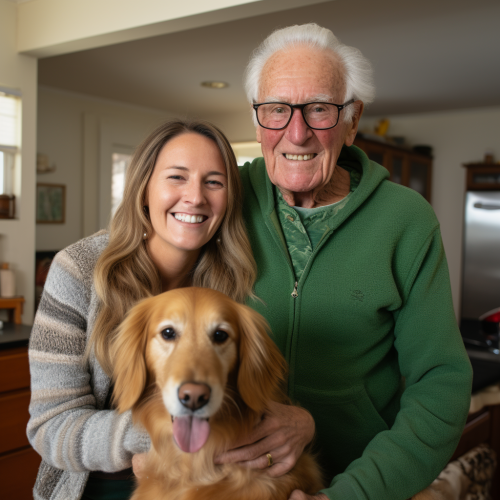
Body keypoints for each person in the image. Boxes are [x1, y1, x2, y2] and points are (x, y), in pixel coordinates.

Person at [215, 24, 473, 500]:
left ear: (352, 120)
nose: (298, 132)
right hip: (232, 485)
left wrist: (350, 496)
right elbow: (148, 235)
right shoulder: (223, 195)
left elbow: (441, 385)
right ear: (257, 121)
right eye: (277, 109)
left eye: (319, 109)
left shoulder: (406, 221)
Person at [27, 119, 256, 500]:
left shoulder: (237, 284)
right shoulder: (78, 271)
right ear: (144, 189)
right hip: (92, 487)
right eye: (177, 177)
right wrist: (155, 436)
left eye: (214, 182)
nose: (195, 197)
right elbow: (52, 429)